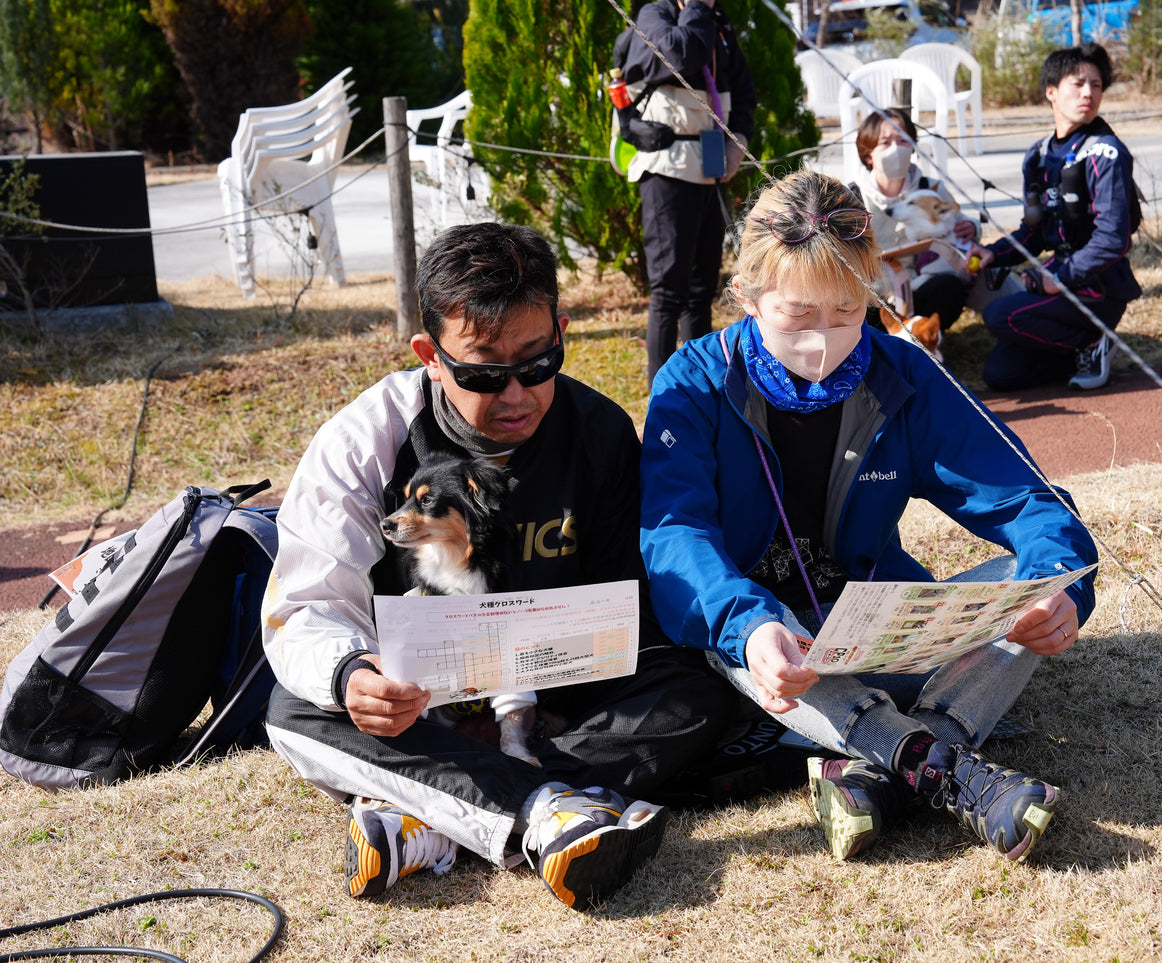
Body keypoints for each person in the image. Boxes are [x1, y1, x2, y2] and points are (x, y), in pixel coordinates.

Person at [262, 222, 737, 910]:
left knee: (693, 690)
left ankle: (433, 813)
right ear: (430, 355)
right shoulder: (363, 441)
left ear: (561, 331)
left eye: (539, 363)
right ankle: (548, 809)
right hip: (419, 710)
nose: (517, 394)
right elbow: (305, 604)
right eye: (483, 373)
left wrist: (545, 701)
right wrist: (354, 676)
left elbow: (629, 608)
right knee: (293, 708)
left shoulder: (599, 431)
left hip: (557, 703)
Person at [638, 170, 1099, 863]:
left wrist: (1059, 583)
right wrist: (748, 624)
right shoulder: (692, 381)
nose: (823, 345)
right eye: (796, 317)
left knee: (1021, 581)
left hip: (878, 627)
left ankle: (878, 770)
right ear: (746, 297)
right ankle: (941, 765)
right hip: (762, 652)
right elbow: (675, 539)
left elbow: (1025, 497)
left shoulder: (903, 374)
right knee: (752, 635)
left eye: (847, 313)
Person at [973, 43, 1141, 392]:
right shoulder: (1037, 156)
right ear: (1051, 92)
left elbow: (1113, 239)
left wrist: (1061, 276)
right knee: (1000, 375)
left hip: (1098, 289)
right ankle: (1079, 348)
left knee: (999, 315)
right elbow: (1034, 233)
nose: (1089, 93)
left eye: (1096, 85)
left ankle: (1094, 342)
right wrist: (995, 254)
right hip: (1059, 284)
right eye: (1077, 83)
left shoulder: (1106, 153)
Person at [614, 0, 756, 384]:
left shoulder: (719, 25)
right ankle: (662, 393)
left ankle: (706, 385)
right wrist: (696, 7)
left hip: (709, 162)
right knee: (668, 290)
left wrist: (737, 138)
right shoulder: (654, 15)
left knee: (702, 287)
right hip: (666, 166)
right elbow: (680, 54)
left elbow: (742, 90)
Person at [850, 108, 1019, 333]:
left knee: (949, 289)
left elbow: (958, 223)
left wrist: (972, 227)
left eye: (903, 140)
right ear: (868, 153)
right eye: (886, 142)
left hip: (923, 290)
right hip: (877, 297)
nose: (896, 149)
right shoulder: (852, 198)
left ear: (912, 146)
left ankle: (924, 338)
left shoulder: (931, 189)